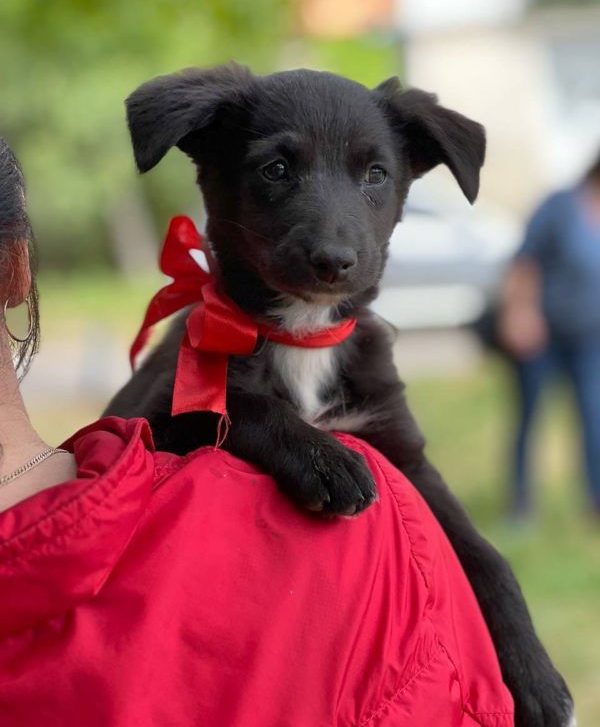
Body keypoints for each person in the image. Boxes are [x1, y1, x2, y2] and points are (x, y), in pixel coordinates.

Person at [0, 135, 513, 726]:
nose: (333, 239)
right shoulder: (381, 552)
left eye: (373, 174)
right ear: (17, 266)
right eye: (277, 170)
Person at [499, 151, 600, 517]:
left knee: (593, 417)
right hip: (542, 335)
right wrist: (520, 314)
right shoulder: (560, 205)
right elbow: (525, 262)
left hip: (589, 339)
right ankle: (521, 505)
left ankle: (595, 502)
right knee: (529, 417)